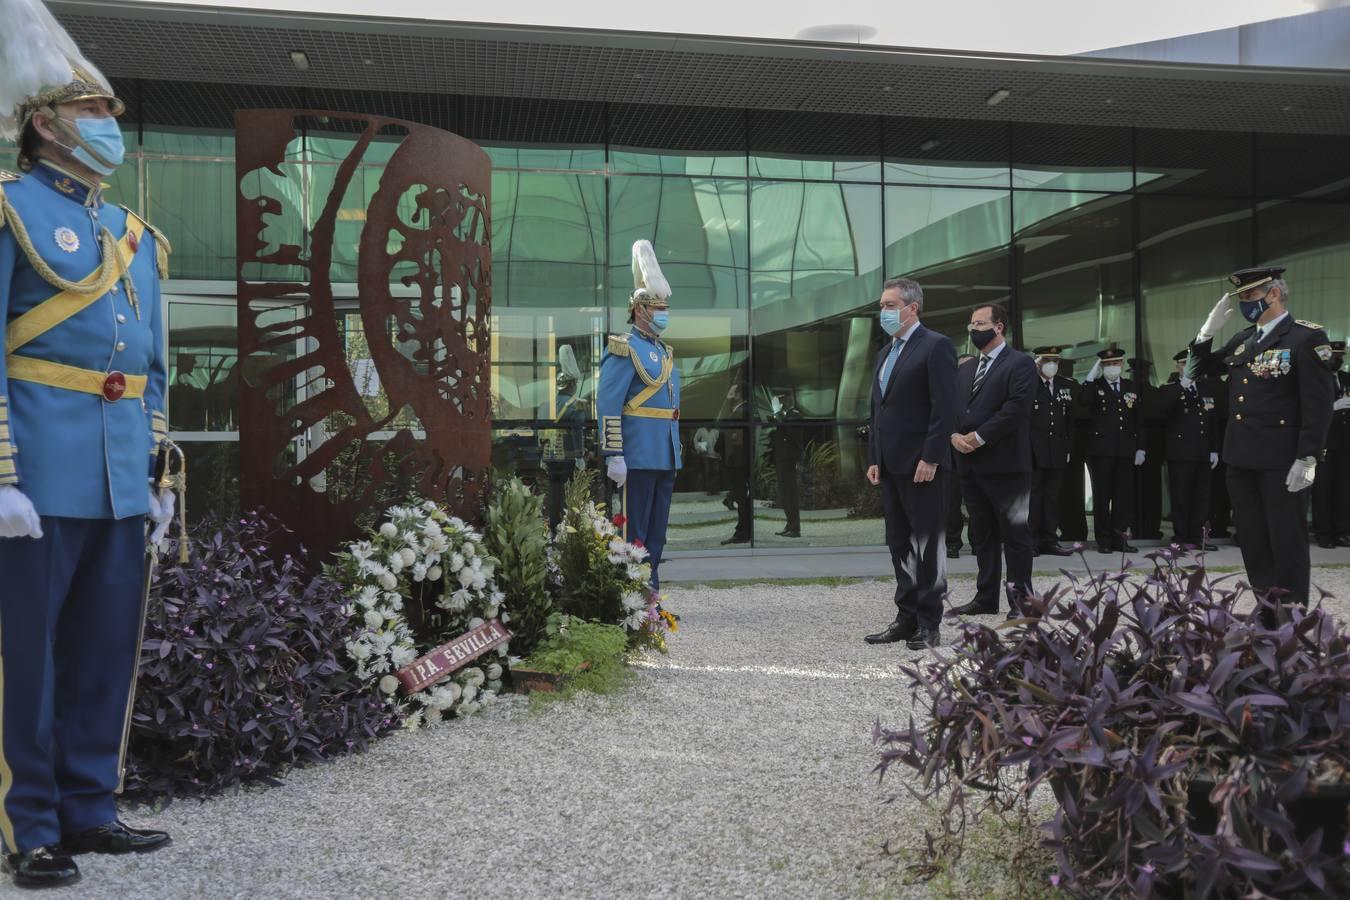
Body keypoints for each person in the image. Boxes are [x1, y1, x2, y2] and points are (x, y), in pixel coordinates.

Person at [0, 3, 176, 886]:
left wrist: (156, 473)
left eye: (110, 110)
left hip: (114, 481)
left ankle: (89, 809)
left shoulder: (135, 238)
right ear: (45, 122)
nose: (111, 125)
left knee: (106, 651)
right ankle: (27, 824)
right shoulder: (9, 210)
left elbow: (149, 366)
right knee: (23, 660)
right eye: (94, 110)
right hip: (34, 476)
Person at [1186, 266, 1336, 622]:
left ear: (1273, 294)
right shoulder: (1242, 340)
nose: (1245, 304)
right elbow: (1194, 371)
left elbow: (1318, 405)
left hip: (1281, 460)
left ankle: (1293, 612)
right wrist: (1207, 330)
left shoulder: (1305, 339)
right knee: (1253, 540)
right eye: (1242, 299)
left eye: (1250, 296)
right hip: (1241, 457)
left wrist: (1309, 457)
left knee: (1287, 539)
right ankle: (1268, 608)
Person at [863, 277, 957, 651]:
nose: (883, 311)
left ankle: (929, 623)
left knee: (927, 543)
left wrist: (931, 456)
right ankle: (906, 617)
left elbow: (944, 407)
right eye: (882, 305)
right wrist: (874, 458)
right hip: (890, 465)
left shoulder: (936, 347)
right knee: (899, 542)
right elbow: (878, 410)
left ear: (911, 308)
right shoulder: (885, 354)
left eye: (889, 305)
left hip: (923, 465)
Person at [598, 239, 681, 591]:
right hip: (636, 454)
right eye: (656, 306)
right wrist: (614, 453)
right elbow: (608, 403)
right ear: (639, 310)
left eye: (664, 306)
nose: (662, 312)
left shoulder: (664, 352)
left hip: (664, 454)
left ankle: (652, 590)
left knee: (658, 532)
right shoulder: (624, 347)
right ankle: (632, 593)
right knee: (635, 533)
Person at [948, 303, 1037, 617]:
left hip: (1008, 466)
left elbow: (1015, 409)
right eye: (971, 323)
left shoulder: (1020, 364)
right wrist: (954, 436)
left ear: (999, 326)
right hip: (971, 466)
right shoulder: (966, 368)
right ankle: (986, 597)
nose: (973, 329)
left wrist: (978, 437)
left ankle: (1022, 603)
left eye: (980, 322)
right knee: (981, 535)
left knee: (1015, 536)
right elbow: (951, 407)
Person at [1077, 347, 1144, 554]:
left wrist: (1140, 447)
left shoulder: (1130, 386)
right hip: (1101, 451)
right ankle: (1104, 540)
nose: (1112, 368)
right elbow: (1083, 401)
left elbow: (1138, 420)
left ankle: (1119, 538)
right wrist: (1090, 377)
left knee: (1123, 497)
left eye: (1115, 364)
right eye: (1107, 365)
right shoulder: (1095, 387)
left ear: (1121, 365)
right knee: (1102, 497)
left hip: (1125, 449)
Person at [1149, 350, 1219, 549]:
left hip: (1203, 451)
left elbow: (1212, 421)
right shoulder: (1169, 388)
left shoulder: (1205, 389)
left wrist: (1214, 448)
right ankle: (1181, 537)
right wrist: (1182, 385)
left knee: (1201, 497)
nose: (1188, 367)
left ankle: (1198, 537)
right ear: (1178, 367)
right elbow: (1161, 409)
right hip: (1180, 452)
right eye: (1183, 364)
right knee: (1181, 497)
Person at [1028, 346, 1075, 556]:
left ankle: (1050, 539)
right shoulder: (1029, 385)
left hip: (1056, 450)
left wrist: (1068, 448)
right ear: (1038, 362)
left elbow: (1070, 421)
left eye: (1055, 361)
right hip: (1034, 452)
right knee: (1034, 498)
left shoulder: (1065, 385)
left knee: (1052, 498)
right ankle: (1032, 541)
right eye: (1047, 360)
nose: (1052, 365)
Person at [1311, 341, 1350, 549]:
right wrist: (1333, 407)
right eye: (1334, 357)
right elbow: (1310, 409)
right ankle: (1323, 533)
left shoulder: (1346, 378)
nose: (1338, 360)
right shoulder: (1317, 379)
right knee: (1323, 490)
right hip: (1324, 442)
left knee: (1343, 490)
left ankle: (1341, 531)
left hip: (1345, 442)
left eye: (1340, 357)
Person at [543, 344, 587, 528]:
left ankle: (553, 523)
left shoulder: (547, 404)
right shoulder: (575, 404)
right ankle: (566, 526)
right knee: (568, 491)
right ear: (572, 385)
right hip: (568, 454)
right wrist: (580, 455)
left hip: (549, 453)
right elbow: (578, 431)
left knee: (553, 490)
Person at [946, 353, 975, 559]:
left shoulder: (982, 390)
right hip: (951, 456)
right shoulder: (947, 393)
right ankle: (952, 542)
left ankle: (979, 542)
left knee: (976, 503)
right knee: (951, 502)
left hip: (975, 453)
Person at [715, 382, 752, 544]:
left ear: (737, 394)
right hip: (737, 461)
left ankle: (743, 532)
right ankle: (743, 530)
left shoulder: (741, 411)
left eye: (730, 392)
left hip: (737, 462)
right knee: (740, 498)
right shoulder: (740, 410)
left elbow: (722, 426)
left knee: (741, 498)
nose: (727, 394)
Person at [769, 389, 803, 537]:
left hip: (788, 459)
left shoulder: (794, 414)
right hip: (782, 458)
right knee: (784, 493)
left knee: (790, 494)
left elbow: (790, 433)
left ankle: (795, 528)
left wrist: (777, 414)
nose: (779, 401)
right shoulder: (785, 415)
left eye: (781, 397)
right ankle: (790, 524)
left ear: (789, 398)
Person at [692, 423, 720, 495]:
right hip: (706, 455)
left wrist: (719, 453)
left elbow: (718, 443)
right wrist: (698, 448)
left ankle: (715, 490)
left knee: (715, 473)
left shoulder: (716, 431)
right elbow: (695, 439)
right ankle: (709, 490)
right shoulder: (701, 430)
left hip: (715, 456)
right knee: (708, 472)